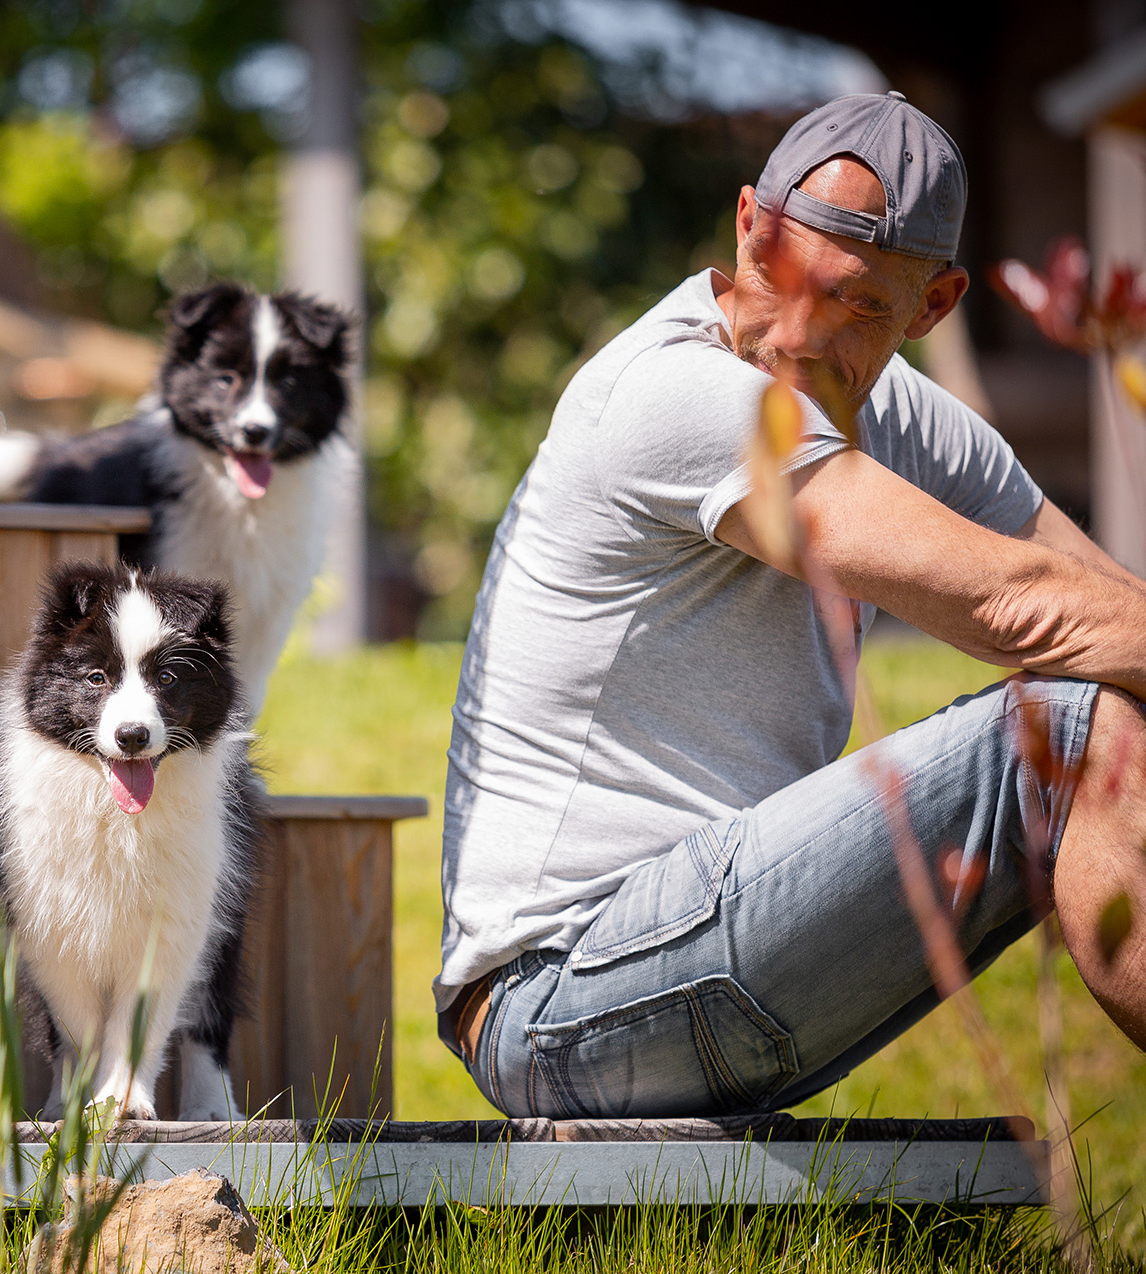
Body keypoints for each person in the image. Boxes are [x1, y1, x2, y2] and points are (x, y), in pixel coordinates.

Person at [438, 92, 1146, 1119]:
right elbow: (1022, 608)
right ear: (744, 227)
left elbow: (1097, 600)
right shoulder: (669, 396)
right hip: (555, 1006)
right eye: (783, 279)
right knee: (1072, 732)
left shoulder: (908, 419)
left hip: (698, 962)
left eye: (857, 305)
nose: (797, 339)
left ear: (933, 305)